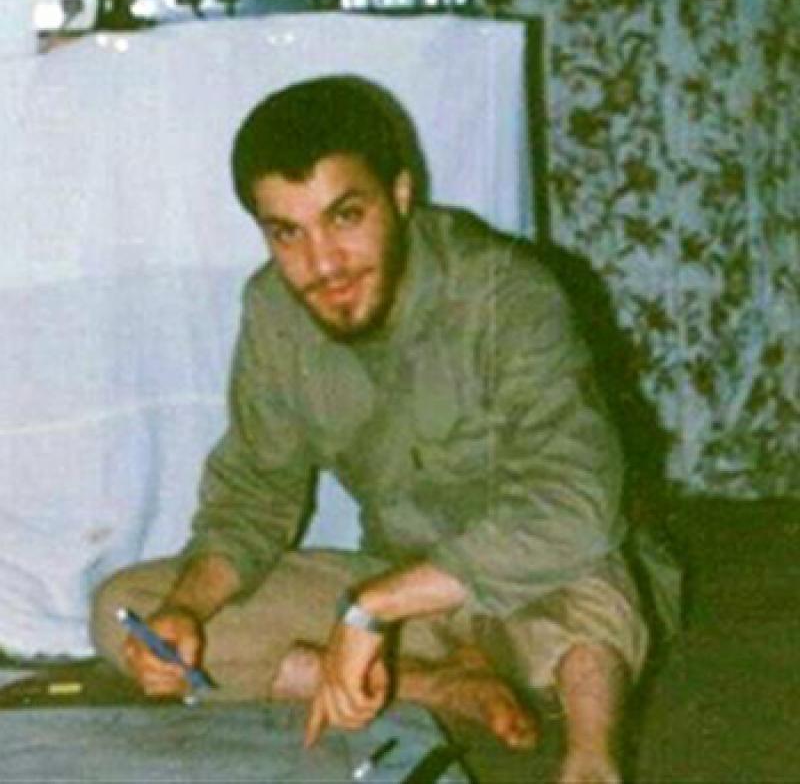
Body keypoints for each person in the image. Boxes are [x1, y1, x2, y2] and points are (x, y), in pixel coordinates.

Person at [92, 75, 656, 784]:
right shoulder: (274, 310)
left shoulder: (506, 291)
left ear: (401, 194)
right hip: (403, 585)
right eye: (287, 233)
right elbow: (256, 493)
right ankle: (440, 685)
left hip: (535, 582)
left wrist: (372, 609)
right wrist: (185, 609)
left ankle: (592, 761)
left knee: (595, 585)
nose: (322, 264)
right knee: (127, 612)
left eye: (346, 217)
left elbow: (575, 503)